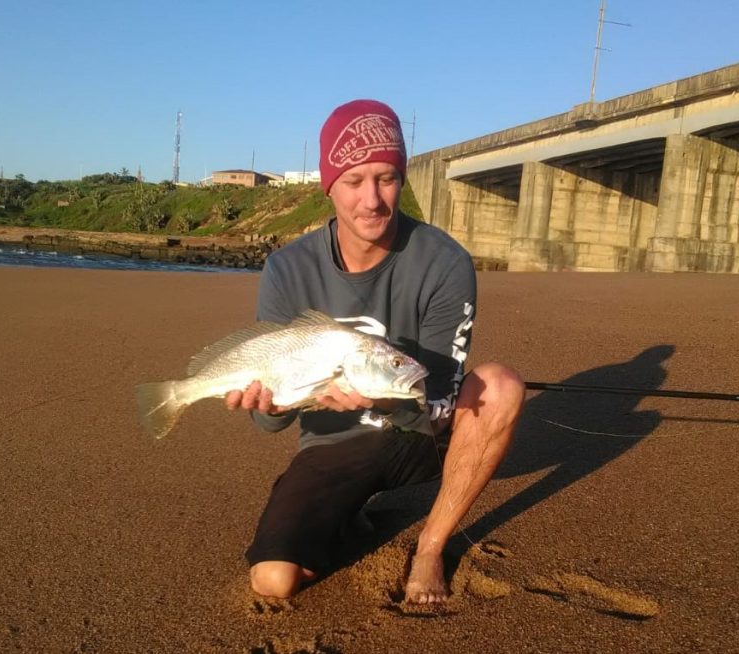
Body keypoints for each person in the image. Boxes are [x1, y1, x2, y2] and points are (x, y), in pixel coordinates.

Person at [224, 99, 525, 604]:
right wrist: (268, 406)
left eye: (386, 178)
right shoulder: (286, 270)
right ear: (329, 187)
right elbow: (270, 423)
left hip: (421, 433)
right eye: (354, 181)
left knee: (499, 386)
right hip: (332, 444)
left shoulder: (444, 262)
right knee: (273, 582)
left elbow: (440, 407)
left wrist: (381, 401)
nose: (372, 200)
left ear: (402, 179)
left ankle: (431, 546)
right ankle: (350, 515)